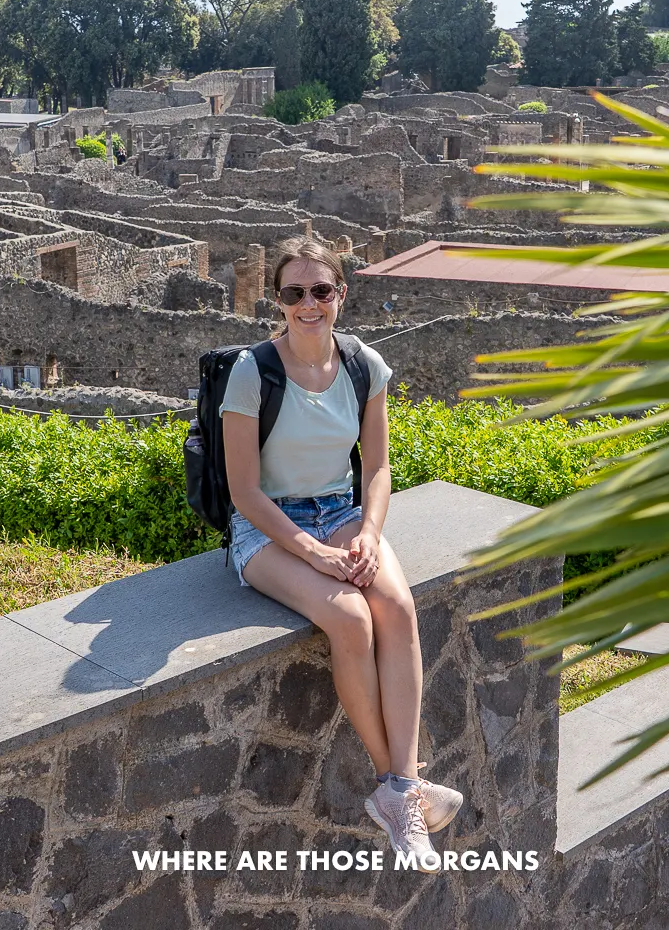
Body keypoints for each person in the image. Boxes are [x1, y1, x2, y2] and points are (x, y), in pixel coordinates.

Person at [221, 236, 463, 869]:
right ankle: (403, 789)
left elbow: (377, 468)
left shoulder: (363, 365)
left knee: (398, 609)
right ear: (278, 300)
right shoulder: (252, 372)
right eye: (294, 292)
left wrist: (368, 534)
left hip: (341, 513)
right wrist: (313, 553)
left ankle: (399, 790)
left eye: (320, 290)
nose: (309, 303)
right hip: (268, 527)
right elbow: (244, 492)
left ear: (340, 296)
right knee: (351, 618)